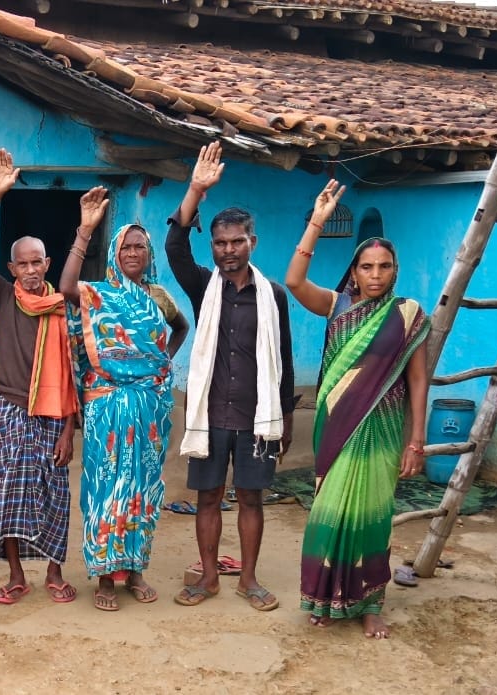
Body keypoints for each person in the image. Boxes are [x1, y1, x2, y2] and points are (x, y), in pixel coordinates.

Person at [285, 179, 430, 639]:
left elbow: (418, 381)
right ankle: (324, 598)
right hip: (335, 430)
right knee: (329, 514)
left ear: (395, 271)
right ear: (354, 270)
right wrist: (317, 221)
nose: (375, 275)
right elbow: (294, 281)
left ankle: (370, 604)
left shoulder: (408, 315)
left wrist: (417, 440)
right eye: (367, 266)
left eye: (384, 267)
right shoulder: (336, 306)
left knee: (372, 518)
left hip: (383, 431)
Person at [166, 141, 295, 611]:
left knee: (251, 500)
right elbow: (175, 247)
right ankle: (208, 579)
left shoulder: (272, 295)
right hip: (211, 414)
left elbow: (284, 360)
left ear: (252, 243)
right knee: (207, 498)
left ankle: (249, 580)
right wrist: (195, 190)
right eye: (220, 243)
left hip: (257, 417)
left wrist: (286, 421)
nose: (228, 250)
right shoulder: (205, 287)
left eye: (237, 241)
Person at [0, 147, 80, 605]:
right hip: (10, 407)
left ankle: (54, 572)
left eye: (37, 262)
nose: (31, 271)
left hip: (53, 414)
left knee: (55, 490)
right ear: (12, 268)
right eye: (23, 264)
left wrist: (69, 429)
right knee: (11, 490)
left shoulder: (65, 307)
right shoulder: (2, 295)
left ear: (47, 265)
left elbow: (72, 373)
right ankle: (16, 575)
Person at [61, 206, 181, 611]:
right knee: (106, 487)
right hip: (107, 407)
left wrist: (160, 365)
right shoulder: (97, 294)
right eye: (125, 247)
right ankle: (104, 577)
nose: (133, 253)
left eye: (140, 247)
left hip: (149, 408)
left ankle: (135, 570)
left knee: (143, 489)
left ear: (149, 254)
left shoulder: (158, 296)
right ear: (114, 253)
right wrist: (84, 232)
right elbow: (65, 286)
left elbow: (181, 326)